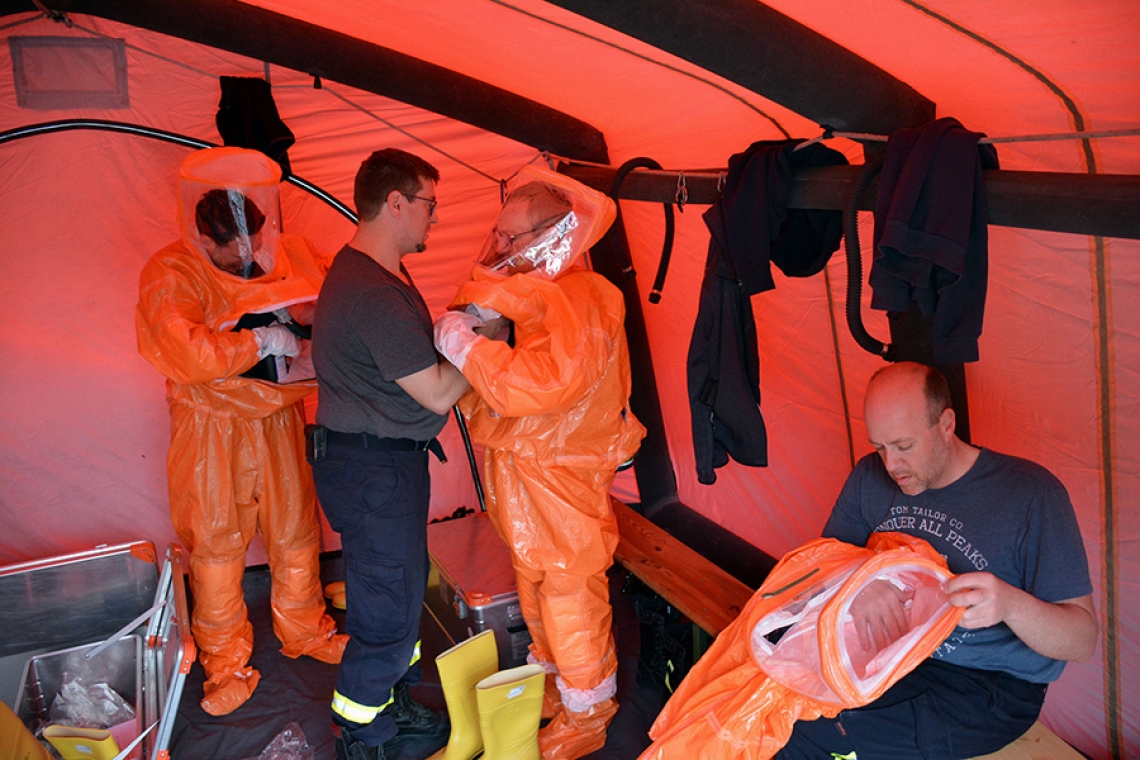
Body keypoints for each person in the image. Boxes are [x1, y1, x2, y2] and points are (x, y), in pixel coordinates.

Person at [776, 361, 1098, 760]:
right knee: (769, 698)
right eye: (880, 446)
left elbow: (1081, 640)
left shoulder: (1031, 496)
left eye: (904, 446)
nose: (891, 464)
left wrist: (1010, 604)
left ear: (946, 425)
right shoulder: (869, 476)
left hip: (983, 684)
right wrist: (860, 583)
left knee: (812, 736)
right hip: (890, 655)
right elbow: (824, 562)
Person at [433, 166, 646, 760]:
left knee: (569, 590)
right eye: (497, 236)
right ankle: (559, 683)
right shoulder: (534, 299)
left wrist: (467, 346)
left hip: (561, 473)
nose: (499, 249)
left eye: (512, 238)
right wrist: (483, 338)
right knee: (535, 583)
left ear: (555, 236)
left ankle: (589, 710)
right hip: (527, 470)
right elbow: (502, 396)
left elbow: (545, 385)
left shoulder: (584, 296)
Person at [136, 147, 347, 717]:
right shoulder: (171, 272)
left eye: (254, 245)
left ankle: (305, 630)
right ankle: (226, 663)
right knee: (217, 549)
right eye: (235, 252)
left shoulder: (280, 257)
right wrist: (258, 341)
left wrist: (302, 316)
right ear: (204, 242)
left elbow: (326, 291)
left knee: (295, 530)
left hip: (276, 417)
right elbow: (183, 349)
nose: (249, 259)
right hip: (212, 430)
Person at [308, 148, 470, 760]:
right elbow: (433, 387)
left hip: (379, 466)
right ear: (396, 203)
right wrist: (484, 347)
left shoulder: (373, 274)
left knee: (396, 595)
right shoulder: (369, 291)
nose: (435, 217)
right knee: (385, 605)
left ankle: (388, 704)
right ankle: (363, 733)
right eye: (430, 204)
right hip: (374, 469)